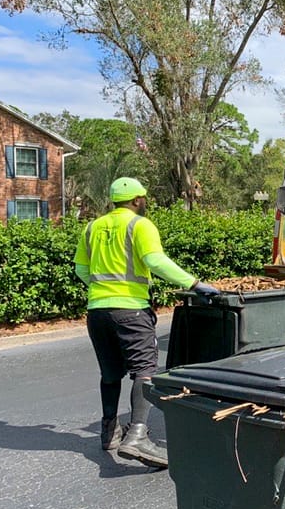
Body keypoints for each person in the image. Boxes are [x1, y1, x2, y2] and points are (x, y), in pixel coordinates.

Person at [74, 177, 219, 468]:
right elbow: (155, 261)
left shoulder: (91, 227)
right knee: (145, 370)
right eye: (144, 199)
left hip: (97, 311)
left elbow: (81, 269)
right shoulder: (140, 225)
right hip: (130, 310)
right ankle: (138, 435)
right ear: (138, 200)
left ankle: (109, 432)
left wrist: (103, 290)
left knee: (111, 373)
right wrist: (195, 283)